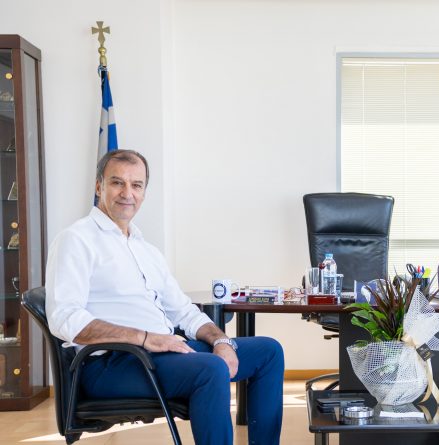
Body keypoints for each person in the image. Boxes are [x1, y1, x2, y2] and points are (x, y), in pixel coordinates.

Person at [45, 149, 284, 445]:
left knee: (268, 352)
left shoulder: (145, 249)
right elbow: (65, 318)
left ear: (144, 192)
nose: (127, 193)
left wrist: (221, 341)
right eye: (117, 183)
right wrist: (146, 338)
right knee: (211, 369)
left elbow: (184, 311)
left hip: (161, 354)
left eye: (136, 185)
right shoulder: (76, 239)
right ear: (98, 186)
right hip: (111, 364)